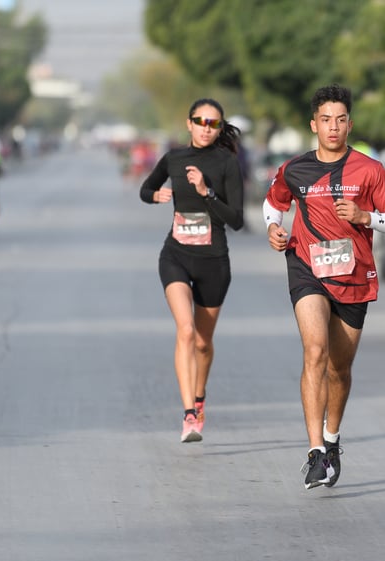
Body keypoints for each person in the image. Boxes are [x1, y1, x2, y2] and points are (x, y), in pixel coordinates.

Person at [263, 84, 385, 489]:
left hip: (353, 274)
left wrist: (365, 216)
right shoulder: (295, 168)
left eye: (340, 120)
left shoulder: (369, 169)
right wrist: (274, 227)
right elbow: (273, 204)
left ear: (350, 124)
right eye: (326, 119)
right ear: (314, 124)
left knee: (339, 368)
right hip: (307, 265)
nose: (333, 127)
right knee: (315, 351)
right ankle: (314, 453)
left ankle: (331, 439)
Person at [139, 98, 245, 443]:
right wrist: (155, 197)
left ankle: (199, 399)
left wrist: (206, 192)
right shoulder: (174, 159)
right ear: (189, 124)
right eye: (200, 121)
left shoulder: (227, 163)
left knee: (202, 342)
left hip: (214, 262)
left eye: (213, 123)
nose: (205, 127)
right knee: (185, 331)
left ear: (218, 128)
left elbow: (238, 220)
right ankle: (188, 415)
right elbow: (145, 188)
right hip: (176, 255)